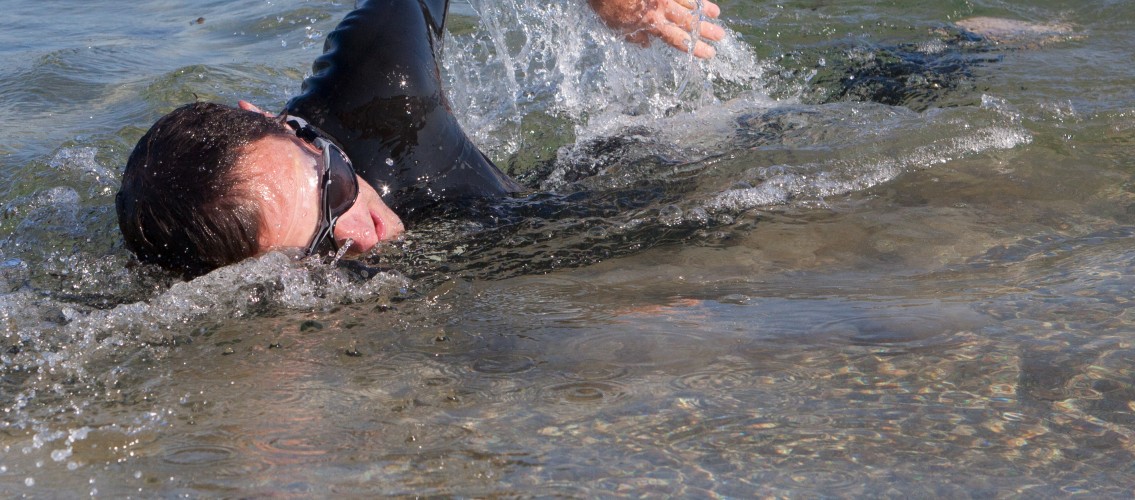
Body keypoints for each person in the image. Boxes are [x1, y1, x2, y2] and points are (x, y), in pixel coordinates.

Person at [116, 0, 726, 277]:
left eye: (332, 186)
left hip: (623, 169)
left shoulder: (379, 82)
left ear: (277, 122)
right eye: (323, 246)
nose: (361, 233)